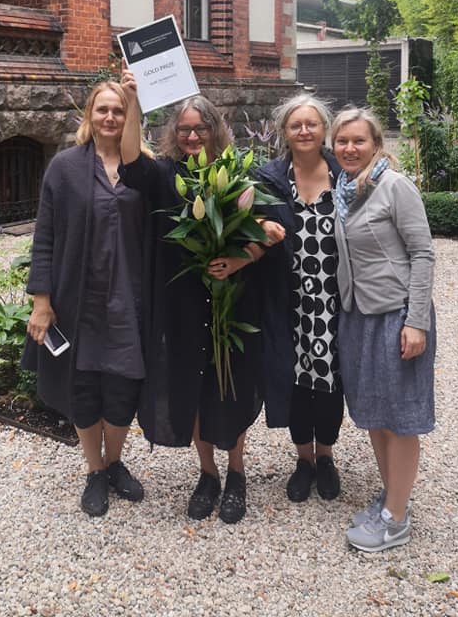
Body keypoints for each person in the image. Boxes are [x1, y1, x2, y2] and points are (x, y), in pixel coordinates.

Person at [119, 70, 285, 524]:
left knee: (230, 387)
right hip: (183, 304)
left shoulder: (238, 175)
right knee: (191, 387)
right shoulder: (165, 174)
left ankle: (236, 474)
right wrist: (133, 100)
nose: (192, 136)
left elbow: (270, 234)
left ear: (216, 130)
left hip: (232, 301)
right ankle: (207, 474)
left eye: (200, 128)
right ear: (174, 134)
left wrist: (238, 260)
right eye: (184, 129)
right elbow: (130, 163)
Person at [22, 80, 150, 519]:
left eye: (119, 110)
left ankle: (115, 463)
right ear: (89, 115)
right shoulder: (64, 168)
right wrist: (41, 301)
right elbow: (45, 236)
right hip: (79, 299)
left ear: (129, 117)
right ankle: (95, 470)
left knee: (123, 387)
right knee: (83, 389)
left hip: (128, 301)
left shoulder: (142, 169)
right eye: (103, 109)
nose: (110, 117)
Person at [332, 106, 436, 552]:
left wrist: (416, 322)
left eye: (359, 140)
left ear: (376, 144)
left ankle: (395, 521)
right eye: (342, 141)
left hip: (397, 315)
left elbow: (423, 253)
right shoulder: (343, 190)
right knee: (375, 414)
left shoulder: (394, 186)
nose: (349, 148)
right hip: (359, 315)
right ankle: (393, 496)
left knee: (400, 419)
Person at [252, 93, 345, 503]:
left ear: (324, 129)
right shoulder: (269, 178)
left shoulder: (345, 174)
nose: (304, 131)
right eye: (296, 125)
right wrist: (260, 223)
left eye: (311, 124)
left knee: (330, 380)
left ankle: (325, 456)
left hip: (334, 298)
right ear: (284, 133)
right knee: (295, 378)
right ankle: (303, 459)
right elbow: (247, 216)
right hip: (287, 298)